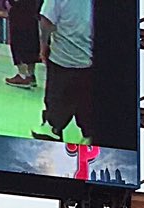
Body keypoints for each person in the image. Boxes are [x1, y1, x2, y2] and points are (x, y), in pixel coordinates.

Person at [35, 0, 92, 143]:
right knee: (87, 107)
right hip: (90, 61)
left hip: (62, 58)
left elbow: (46, 20)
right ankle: (89, 138)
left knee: (56, 104)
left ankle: (52, 128)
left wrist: (43, 46)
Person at [4, 0, 41, 86]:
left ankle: (22, 75)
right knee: (31, 36)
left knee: (18, 37)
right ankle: (31, 74)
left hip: (19, 7)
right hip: (33, 7)